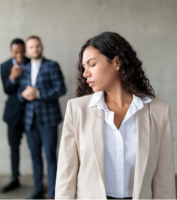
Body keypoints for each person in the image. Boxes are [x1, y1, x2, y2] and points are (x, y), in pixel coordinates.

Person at [55, 32, 176, 199]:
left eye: (92, 64)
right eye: (84, 67)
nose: (85, 73)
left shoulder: (158, 111)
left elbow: (165, 178)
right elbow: (65, 174)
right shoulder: (77, 109)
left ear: (117, 62)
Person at [18, 36, 67, 199]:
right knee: (35, 157)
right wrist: (24, 95)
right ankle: (38, 189)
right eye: (31, 47)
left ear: (42, 47)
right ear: (27, 50)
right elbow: (19, 94)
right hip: (30, 120)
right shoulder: (24, 68)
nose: (35, 50)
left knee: (51, 158)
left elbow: (61, 89)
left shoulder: (52, 65)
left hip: (49, 120)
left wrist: (38, 93)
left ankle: (53, 193)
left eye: (37, 46)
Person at [0, 38, 30, 193]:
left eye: (22, 51)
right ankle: (14, 178)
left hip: (32, 114)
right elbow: (6, 90)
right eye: (16, 52)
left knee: (35, 148)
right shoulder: (5, 66)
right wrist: (12, 77)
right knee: (14, 148)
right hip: (13, 115)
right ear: (11, 51)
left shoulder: (32, 63)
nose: (19, 55)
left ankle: (39, 181)